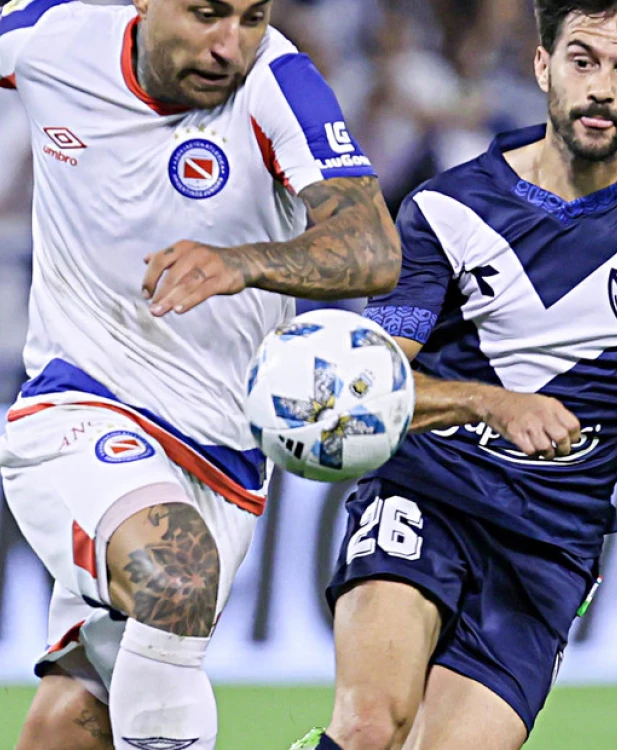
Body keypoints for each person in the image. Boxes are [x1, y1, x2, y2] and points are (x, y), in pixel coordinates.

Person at [292, 1, 617, 748]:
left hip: (548, 546)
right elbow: (364, 389)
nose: (602, 87)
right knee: (372, 727)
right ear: (543, 65)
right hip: (425, 494)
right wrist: (489, 403)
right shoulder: (447, 208)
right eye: (583, 61)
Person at [0, 0, 400, 746]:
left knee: (79, 708)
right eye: (208, 14)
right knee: (175, 577)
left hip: (224, 461)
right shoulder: (52, 39)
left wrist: (241, 265)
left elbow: (374, 247)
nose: (229, 46)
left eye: (251, 18)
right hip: (76, 407)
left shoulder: (278, 82)